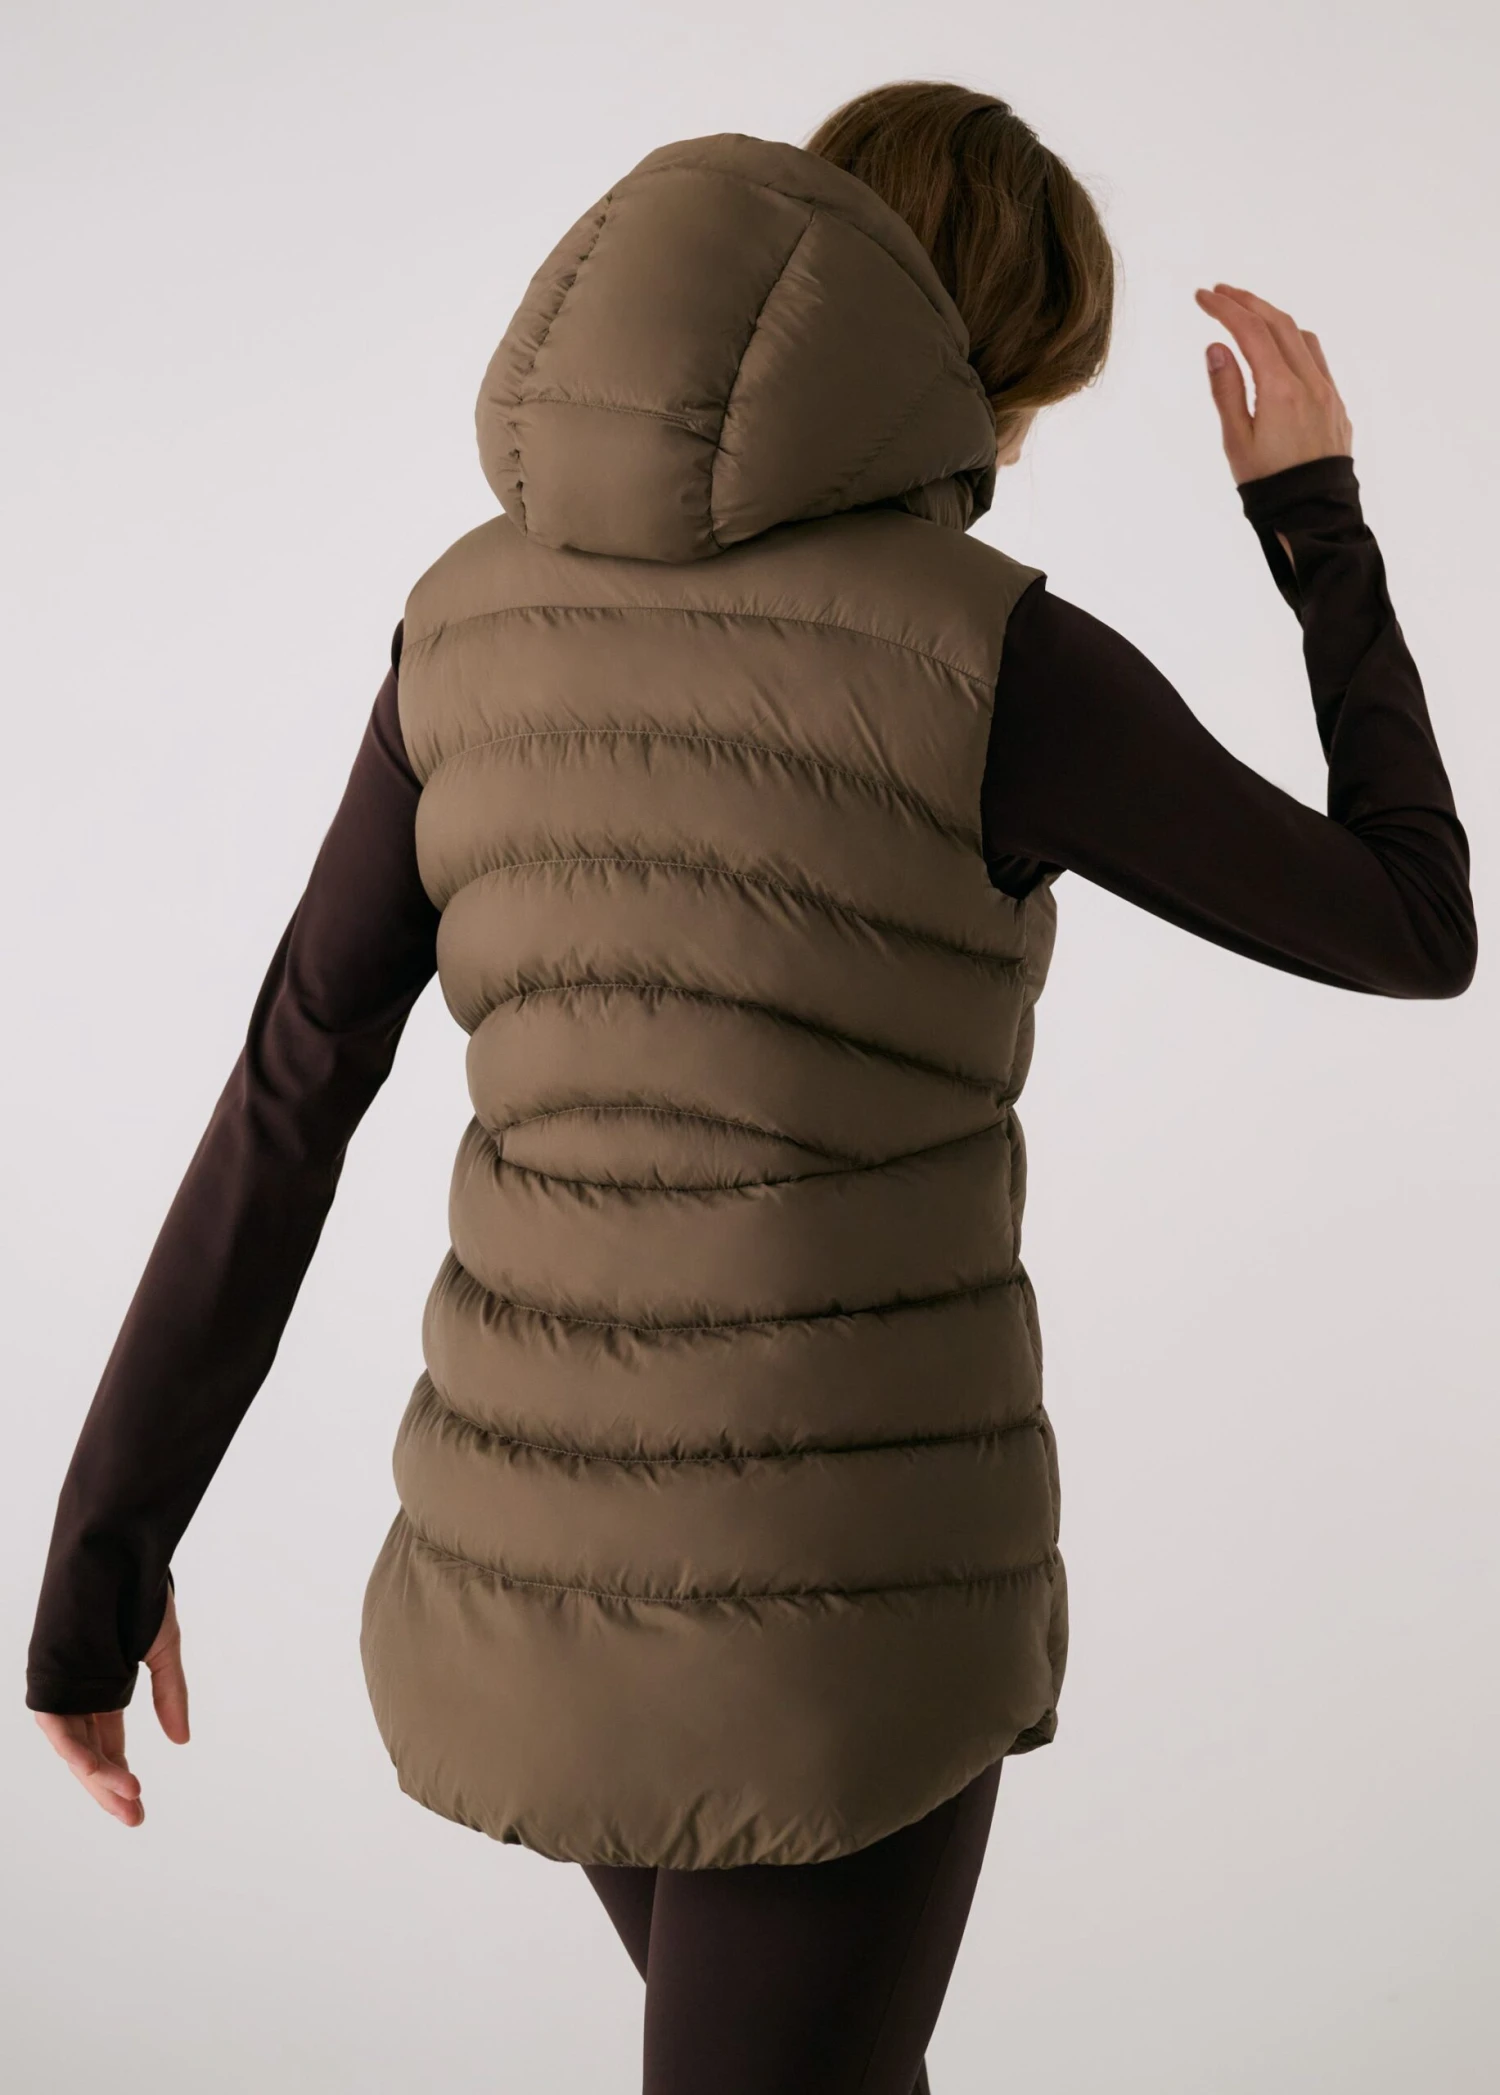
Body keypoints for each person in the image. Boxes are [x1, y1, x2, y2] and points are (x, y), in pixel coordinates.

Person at [27, 81, 1475, 2095]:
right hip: (833, 1633)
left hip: (530, 1596)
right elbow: (1412, 924)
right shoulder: (993, 659)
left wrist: (98, 1570)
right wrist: (1315, 521)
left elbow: (293, 1085)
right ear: (986, 374)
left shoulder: (465, 619)